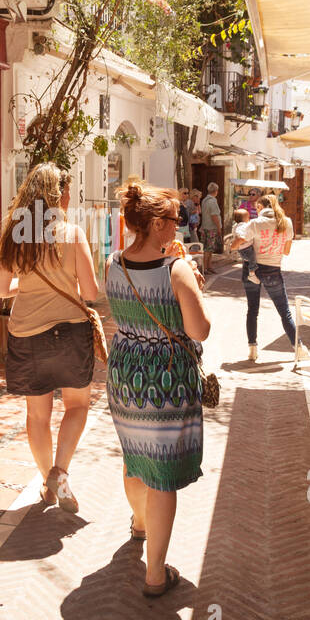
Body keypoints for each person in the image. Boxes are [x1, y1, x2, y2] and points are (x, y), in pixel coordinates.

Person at [106, 181, 211, 597]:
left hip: (125, 373)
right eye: (173, 219)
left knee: (135, 458)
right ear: (154, 223)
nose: (178, 225)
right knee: (163, 473)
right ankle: (154, 574)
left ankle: (139, 523)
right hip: (165, 378)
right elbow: (199, 328)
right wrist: (192, 283)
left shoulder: (113, 263)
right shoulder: (176, 269)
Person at [0, 164, 99, 514]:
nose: (70, 197)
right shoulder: (72, 233)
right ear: (57, 195)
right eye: (66, 191)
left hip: (27, 334)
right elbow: (92, 292)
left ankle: (46, 482)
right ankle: (61, 472)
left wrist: (27, 284)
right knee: (77, 405)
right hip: (70, 331)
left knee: (37, 416)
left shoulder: (14, 233)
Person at [228, 193, 308, 365]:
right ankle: (299, 348)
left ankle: (252, 350)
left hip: (253, 270)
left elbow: (238, 241)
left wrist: (232, 245)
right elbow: (286, 251)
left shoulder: (255, 224)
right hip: (273, 270)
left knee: (252, 309)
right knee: (284, 312)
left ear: (259, 207)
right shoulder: (287, 223)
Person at [231, 208, 259, 284]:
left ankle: (251, 273)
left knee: (251, 259)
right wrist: (243, 238)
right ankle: (252, 274)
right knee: (253, 260)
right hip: (246, 248)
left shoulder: (238, 225)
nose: (249, 219)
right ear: (243, 219)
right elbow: (240, 236)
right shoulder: (241, 226)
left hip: (245, 248)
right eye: (248, 217)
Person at [200, 182, 223, 275]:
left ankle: (208, 266)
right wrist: (219, 228)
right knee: (208, 249)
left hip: (205, 226)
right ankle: (206, 268)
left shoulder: (205, 200)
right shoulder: (212, 201)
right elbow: (214, 216)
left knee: (208, 248)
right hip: (211, 228)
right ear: (216, 191)